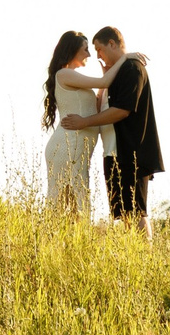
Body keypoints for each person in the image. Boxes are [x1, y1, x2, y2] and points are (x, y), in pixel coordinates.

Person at [59, 26, 162, 234]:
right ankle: (134, 257)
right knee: (124, 212)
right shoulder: (115, 75)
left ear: (112, 44)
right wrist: (104, 84)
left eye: (99, 49)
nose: (97, 55)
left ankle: (147, 259)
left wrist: (83, 122)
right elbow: (102, 107)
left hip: (130, 153)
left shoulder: (132, 68)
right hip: (113, 154)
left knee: (136, 211)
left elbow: (122, 111)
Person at [41, 29, 108, 217]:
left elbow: (99, 95)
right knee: (66, 204)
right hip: (67, 145)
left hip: (77, 146)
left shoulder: (74, 78)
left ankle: (68, 245)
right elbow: (106, 80)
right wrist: (128, 59)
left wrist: (104, 76)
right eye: (86, 49)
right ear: (73, 51)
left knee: (74, 204)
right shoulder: (64, 74)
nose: (89, 54)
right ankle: (55, 243)